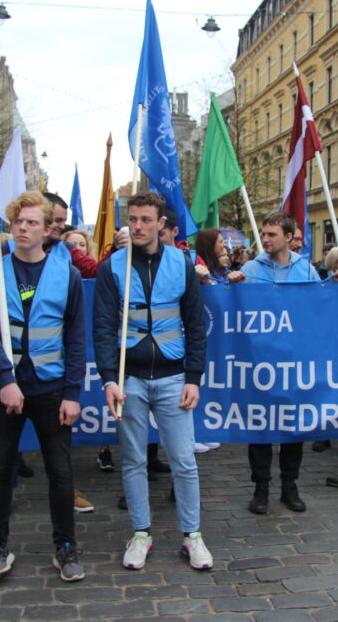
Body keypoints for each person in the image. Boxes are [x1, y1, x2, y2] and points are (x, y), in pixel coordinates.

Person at [93, 191, 212, 571]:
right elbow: (103, 328)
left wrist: (194, 377)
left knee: (183, 460)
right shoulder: (113, 267)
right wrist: (109, 380)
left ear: (162, 224)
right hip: (130, 379)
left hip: (174, 376)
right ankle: (141, 534)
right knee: (132, 460)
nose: (138, 226)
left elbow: (195, 324)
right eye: (133, 219)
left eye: (146, 219)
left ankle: (192, 536)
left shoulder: (182, 262)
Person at [0, 191, 87, 583]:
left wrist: (73, 393)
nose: (22, 229)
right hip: (6, 389)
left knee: (60, 470)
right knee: (1, 468)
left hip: (51, 387)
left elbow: (76, 338)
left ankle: (66, 546)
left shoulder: (67, 275)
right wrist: (4, 379)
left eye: (31, 223)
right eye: (17, 222)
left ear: (47, 229)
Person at [239, 211, 321, 515]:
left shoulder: (307, 270)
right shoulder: (250, 268)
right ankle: (261, 487)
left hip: (294, 362)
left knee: (293, 427)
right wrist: (233, 284)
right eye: (264, 233)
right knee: (260, 425)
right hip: (260, 362)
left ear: (289, 237)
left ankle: (290, 486)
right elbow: (237, 310)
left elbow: (319, 309)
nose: (265, 239)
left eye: (272, 234)